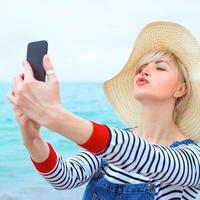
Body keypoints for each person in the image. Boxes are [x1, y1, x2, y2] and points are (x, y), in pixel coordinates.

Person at [7, 21, 200, 199]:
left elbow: (147, 157)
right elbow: (64, 178)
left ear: (181, 89)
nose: (144, 71)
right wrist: (31, 138)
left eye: (160, 68)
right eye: (141, 68)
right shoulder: (111, 146)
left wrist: (56, 117)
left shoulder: (193, 158)